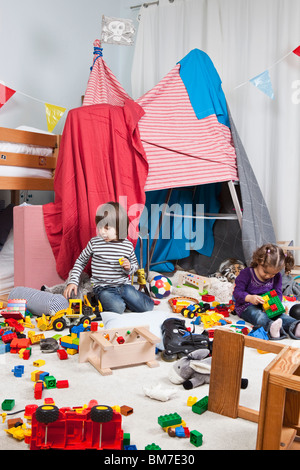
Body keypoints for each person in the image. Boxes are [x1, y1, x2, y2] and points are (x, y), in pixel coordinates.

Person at [64, 202, 154, 314]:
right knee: (118, 308)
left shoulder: (127, 245)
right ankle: (120, 302)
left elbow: (135, 266)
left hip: (123, 286)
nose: (102, 232)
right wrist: (73, 281)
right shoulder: (95, 243)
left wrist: (129, 267)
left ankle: (126, 300)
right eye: (100, 227)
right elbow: (80, 261)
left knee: (148, 307)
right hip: (102, 287)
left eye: (106, 228)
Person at [233, 243, 300, 340]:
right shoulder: (246, 274)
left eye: (273, 274)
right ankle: (271, 328)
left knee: (280, 315)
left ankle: (295, 327)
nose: (269, 276)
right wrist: (250, 298)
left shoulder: (276, 276)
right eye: (266, 272)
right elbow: (237, 292)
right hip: (246, 306)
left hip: (267, 304)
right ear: (258, 261)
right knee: (259, 315)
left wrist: (274, 303)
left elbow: (277, 292)